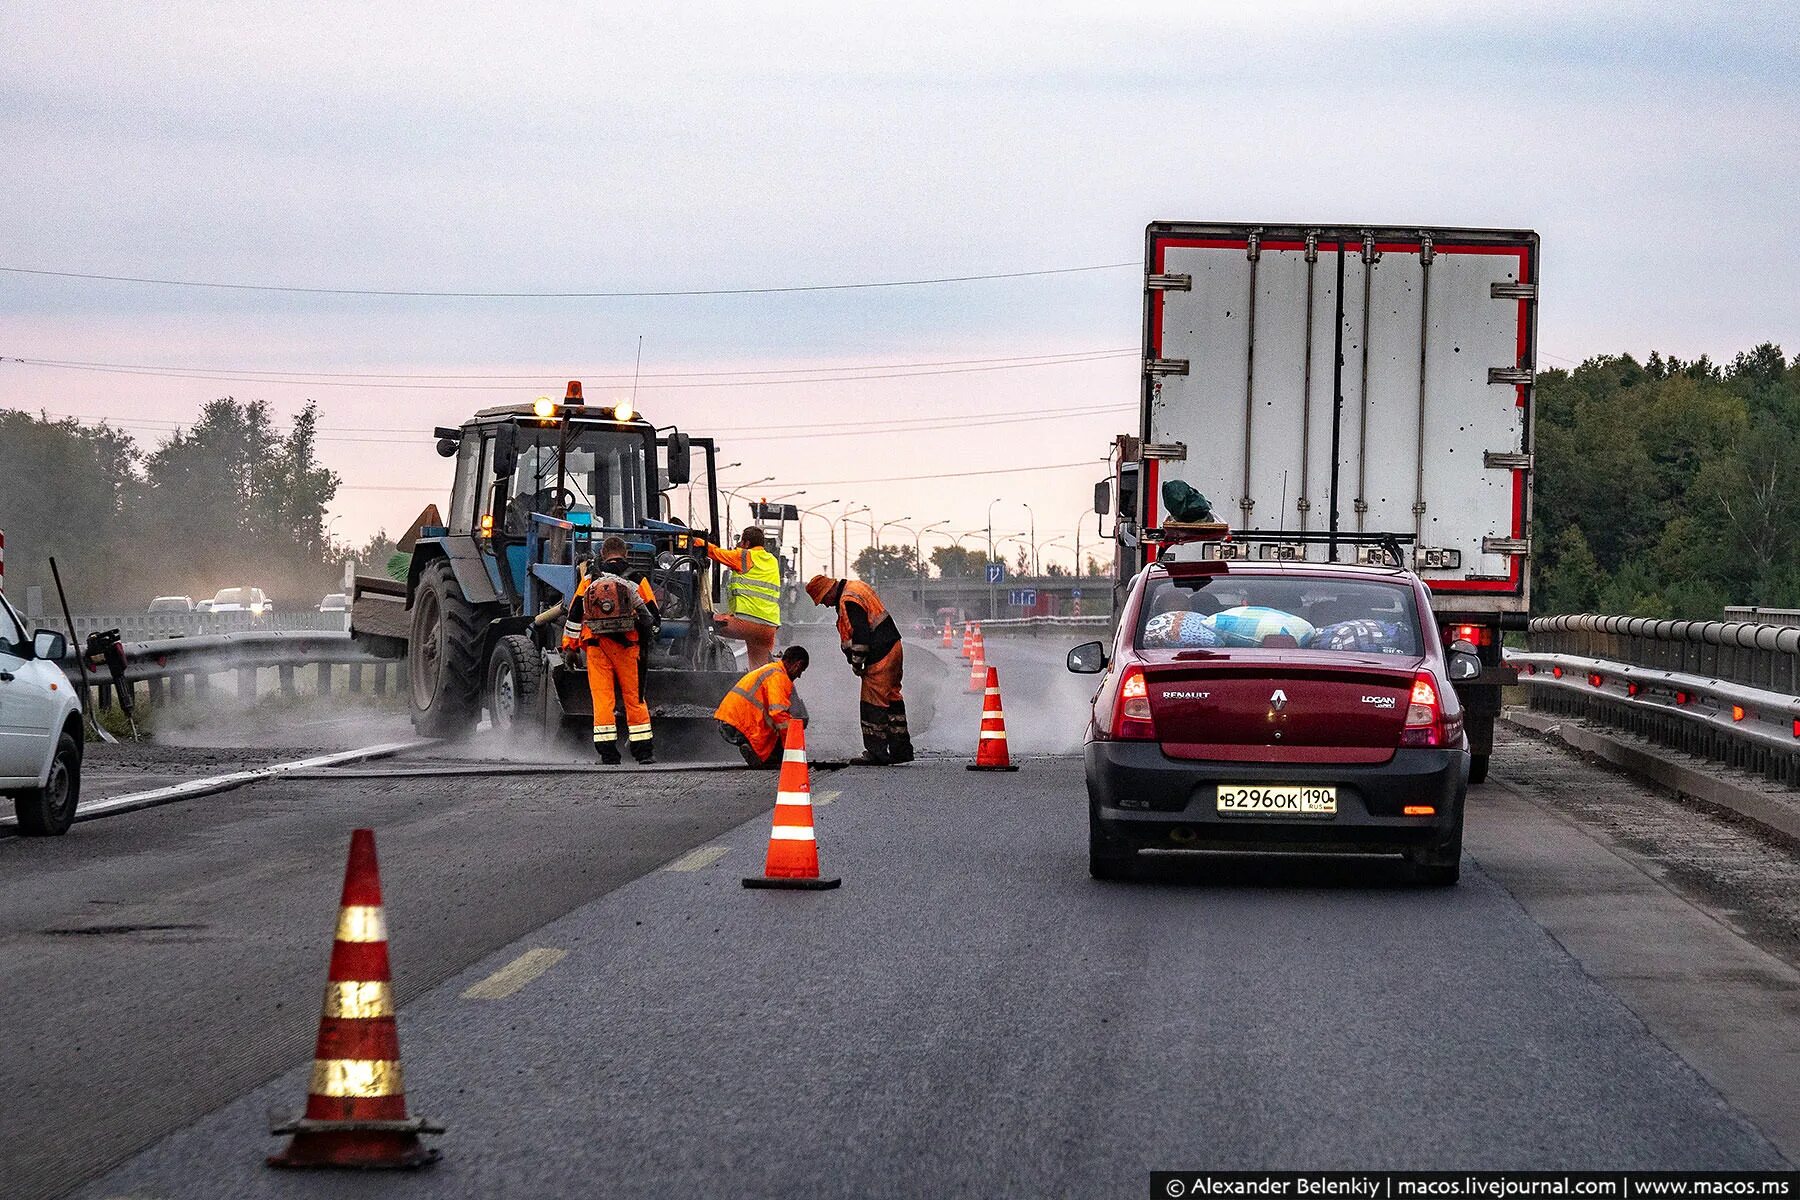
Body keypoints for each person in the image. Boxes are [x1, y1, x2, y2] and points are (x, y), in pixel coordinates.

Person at [535, 536, 655, 764]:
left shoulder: (590, 578)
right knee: (634, 699)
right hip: (629, 648)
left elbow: (574, 616)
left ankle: (608, 755)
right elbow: (652, 616)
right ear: (626, 554)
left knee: (603, 700)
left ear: (602, 555)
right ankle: (644, 753)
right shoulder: (637, 578)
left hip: (596, 647)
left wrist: (570, 649)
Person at [804, 574, 914, 766]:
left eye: (823, 600)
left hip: (880, 655)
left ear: (828, 591)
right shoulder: (857, 588)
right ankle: (901, 750)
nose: (825, 605)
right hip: (893, 647)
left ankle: (877, 752)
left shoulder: (848, 600)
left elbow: (861, 635)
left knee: (873, 703)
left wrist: (857, 663)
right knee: (892, 698)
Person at [695, 526, 781, 667]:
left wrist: (696, 541)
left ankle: (699, 661)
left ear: (746, 543)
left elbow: (715, 552)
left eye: (741, 542)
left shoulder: (745, 556)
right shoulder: (772, 560)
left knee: (703, 621)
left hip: (746, 624)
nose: (740, 546)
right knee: (759, 671)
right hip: (769, 627)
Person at [714, 646, 810, 768]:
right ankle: (754, 750)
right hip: (735, 724)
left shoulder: (773, 670)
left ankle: (755, 749)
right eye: (801, 670)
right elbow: (779, 714)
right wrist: (792, 748)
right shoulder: (779, 677)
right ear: (797, 665)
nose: (799, 675)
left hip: (729, 720)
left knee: (774, 742)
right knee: (774, 750)